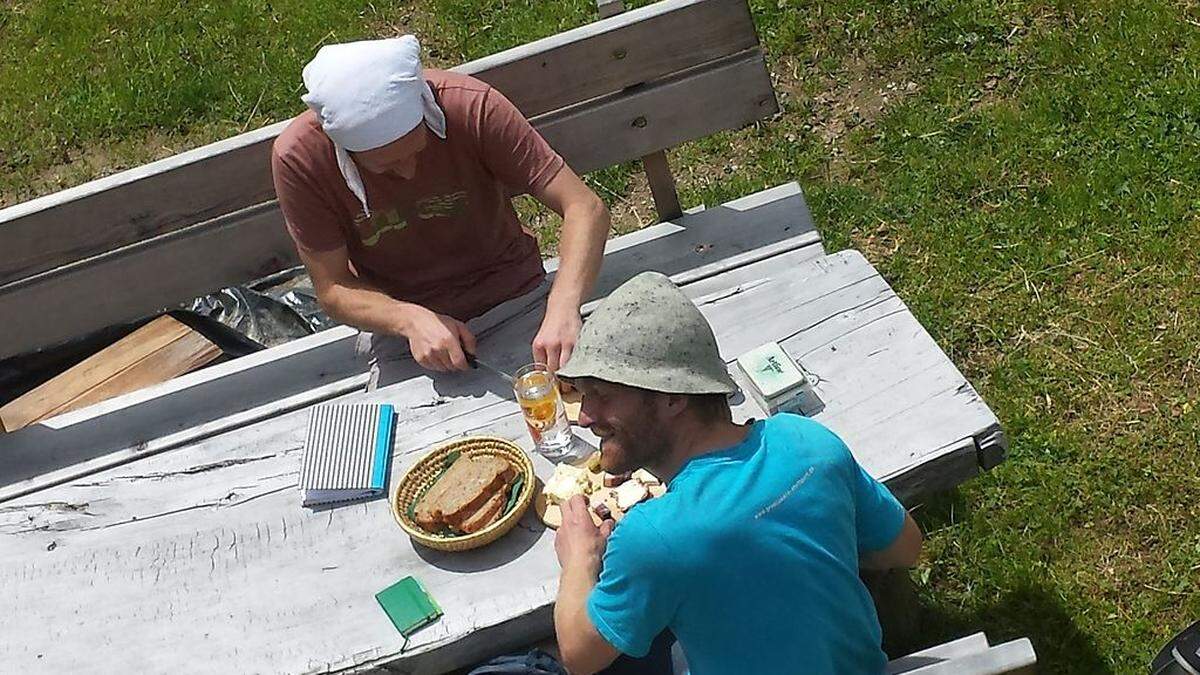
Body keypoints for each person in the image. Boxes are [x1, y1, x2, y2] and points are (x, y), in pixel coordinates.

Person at [551, 272, 924, 674]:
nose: (585, 417)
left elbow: (579, 656)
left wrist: (580, 559)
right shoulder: (805, 439)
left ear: (674, 397)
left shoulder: (652, 537)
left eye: (603, 396)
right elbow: (905, 547)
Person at [271, 36, 610, 378]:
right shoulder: (301, 158)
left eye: (416, 151)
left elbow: (584, 207)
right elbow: (332, 288)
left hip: (513, 296)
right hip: (404, 332)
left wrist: (564, 307)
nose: (409, 172)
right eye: (386, 167)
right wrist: (410, 319)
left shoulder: (471, 106)